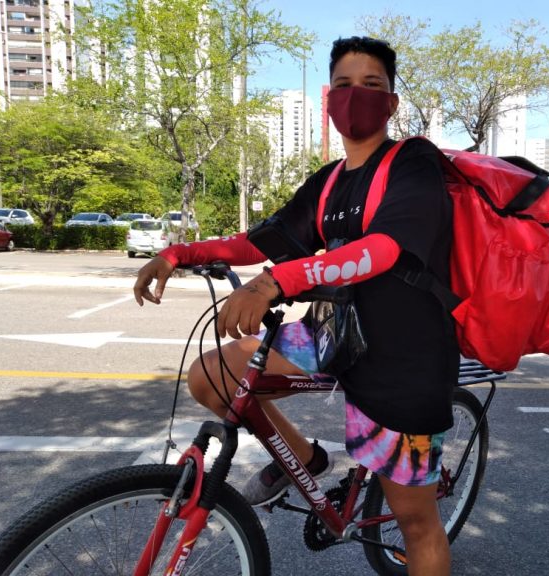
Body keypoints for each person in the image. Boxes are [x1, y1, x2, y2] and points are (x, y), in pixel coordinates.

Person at [133, 36, 458, 575]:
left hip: (406, 357)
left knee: (415, 522)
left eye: (372, 85)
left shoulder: (415, 163)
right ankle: (304, 460)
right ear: (329, 99)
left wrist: (272, 284)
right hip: (334, 334)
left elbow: (383, 249)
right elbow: (262, 240)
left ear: (392, 102)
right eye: (345, 85)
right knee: (213, 376)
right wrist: (178, 253)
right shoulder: (328, 182)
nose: (356, 95)